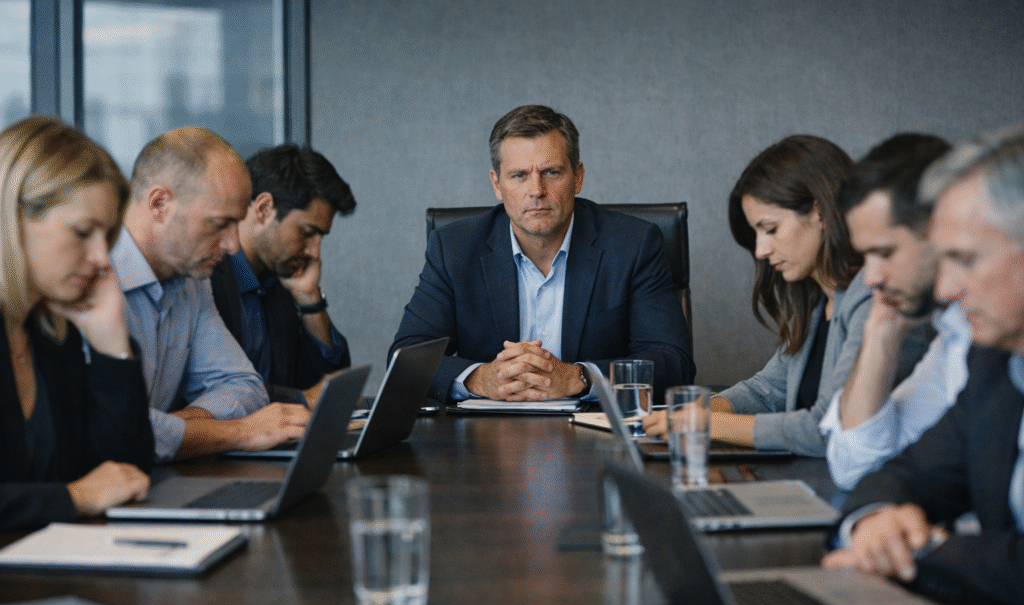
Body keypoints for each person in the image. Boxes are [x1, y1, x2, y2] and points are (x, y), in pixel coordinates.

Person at [822, 123, 1024, 605]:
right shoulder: (996, 366)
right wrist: (873, 522)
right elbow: (907, 473)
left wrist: (919, 553)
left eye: (965, 259)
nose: (944, 290)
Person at [390, 105, 694, 402]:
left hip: (593, 436)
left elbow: (673, 361)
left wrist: (578, 377)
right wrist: (480, 378)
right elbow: (406, 359)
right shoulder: (454, 248)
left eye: (551, 172)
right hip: (485, 440)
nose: (536, 190)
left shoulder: (633, 245)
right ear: (497, 184)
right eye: (519, 175)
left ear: (577, 177)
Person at [645, 135, 901, 457]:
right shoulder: (815, 301)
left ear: (820, 212)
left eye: (770, 229)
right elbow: (767, 390)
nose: (760, 250)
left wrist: (707, 423)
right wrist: (699, 410)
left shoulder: (874, 296)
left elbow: (827, 426)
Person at [111, 128, 308, 462]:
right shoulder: (87, 280)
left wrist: (168, 430)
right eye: (219, 224)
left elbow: (244, 385)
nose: (233, 246)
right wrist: (239, 432)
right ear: (160, 204)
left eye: (237, 224)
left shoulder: (192, 278)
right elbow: (110, 430)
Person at [0, 115, 153, 531]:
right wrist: (74, 498)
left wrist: (110, 342)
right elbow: (89, 491)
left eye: (106, 237)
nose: (103, 258)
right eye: (83, 232)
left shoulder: (50, 333)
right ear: (12, 221)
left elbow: (125, 475)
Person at [819, 134, 968, 490]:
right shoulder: (955, 336)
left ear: (941, 232)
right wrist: (881, 334)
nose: (870, 279)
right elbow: (856, 468)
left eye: (884, 253)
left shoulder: (980, 335)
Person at [210, 144, 356, 406]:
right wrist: (301, 398)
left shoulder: (279, 280)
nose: (314, 252)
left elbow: (329, 387)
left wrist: (309, 297)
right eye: (307, 232)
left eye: (321, 237)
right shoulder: (206, 275)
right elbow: (212, 390)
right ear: (264, 209)